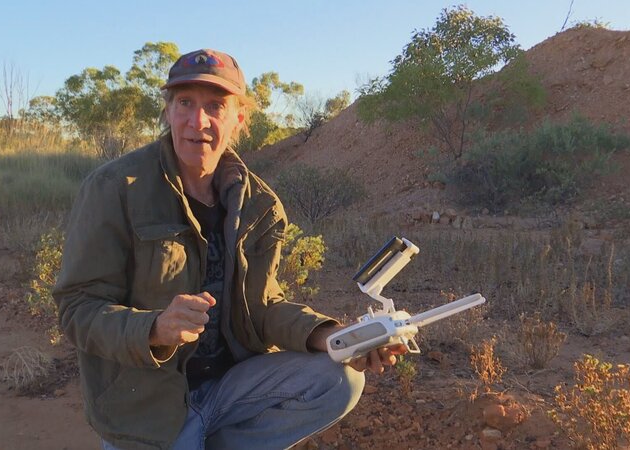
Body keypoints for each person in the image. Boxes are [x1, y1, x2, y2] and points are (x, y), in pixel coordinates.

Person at [53, 49, 405, 450]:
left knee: (338, 379)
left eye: (215, 106)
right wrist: (154, 328)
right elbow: (77, 307)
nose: (197, 121)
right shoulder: (115, 188)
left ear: (239, 118)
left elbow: (262, 305)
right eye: (185, 103)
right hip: (146, 405)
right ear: (168, 111)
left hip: (229, 388)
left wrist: (331, 336)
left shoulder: (259, 204)